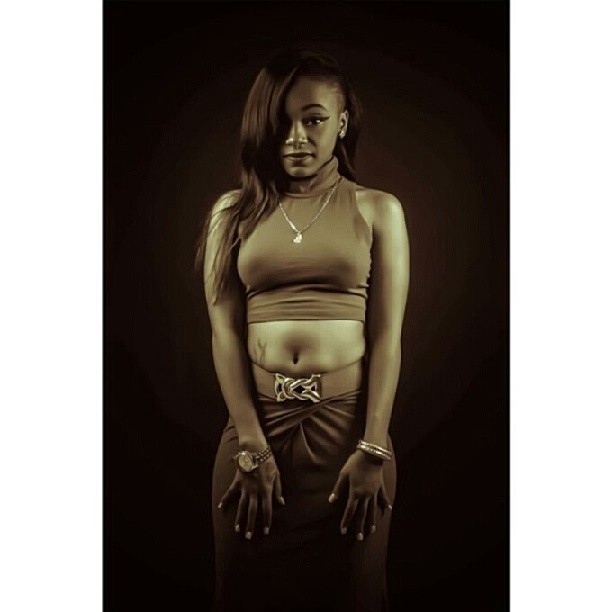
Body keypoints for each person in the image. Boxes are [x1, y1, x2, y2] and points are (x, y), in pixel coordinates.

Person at [196, 48, 410, 612]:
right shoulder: (231, 213)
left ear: (342, 122)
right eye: (281, 121)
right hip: (255, 436)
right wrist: (250, 447)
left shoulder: (378, 210)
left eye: (313, 120)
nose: (295, 137)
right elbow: (224, 334)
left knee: (355, 598)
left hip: (351, 440)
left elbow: (387, 337)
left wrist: (373, 448)